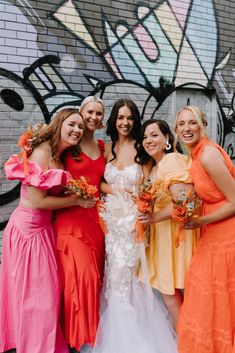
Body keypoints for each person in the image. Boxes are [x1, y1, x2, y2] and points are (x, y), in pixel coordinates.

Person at [93, 99, 178, 353]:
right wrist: (115, 189)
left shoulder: (143, 150)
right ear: (114, 120)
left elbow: (149, 187)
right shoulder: (107, 149)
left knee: (127, 280)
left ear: (135, 120)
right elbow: (98, 183)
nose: (125, 123)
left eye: (129, 118)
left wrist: (137, 198)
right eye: (120, 118)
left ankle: (129, 341)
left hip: (133, 225)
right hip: (111, 225)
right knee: (113, 279)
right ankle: (120, 335)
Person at [0, 108, 85, 353]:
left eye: (80, 127)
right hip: (27, 233)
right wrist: (76, 201)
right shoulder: (42, 152)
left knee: (47, 298)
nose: (77, 130)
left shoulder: (60, 156)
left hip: (44, 231)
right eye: (72, 124)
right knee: (36, 302)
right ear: (59, 123)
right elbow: (38, 201)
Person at [174, 106, 235, 353]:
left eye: (192, 123)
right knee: (209, 301)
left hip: (226, 237)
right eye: (182, 124)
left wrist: (199, 221)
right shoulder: (196, 155)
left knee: (216, 300)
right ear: (176, 130)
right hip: (212, 235)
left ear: (203, 125)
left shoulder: (208, 155)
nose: (187, 129)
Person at [135, 118, 200, 330]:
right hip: (164, 236)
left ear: (167, 139)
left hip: (175, 237)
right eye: (145, 136)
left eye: (154, 135)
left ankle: (187, 344)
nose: (148, 140)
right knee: (172, 295)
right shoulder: (156, 166)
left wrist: (152, 218)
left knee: (175, 296)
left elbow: (183, 204)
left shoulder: (171, 160)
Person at [55, 96, 106, 353]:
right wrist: (73, 198)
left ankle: (86, 340)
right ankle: (75, 341)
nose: (94, 117)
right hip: (70, 222)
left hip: (95, 224)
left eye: (99, 113)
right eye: (90, 112)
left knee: (94, 281)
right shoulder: (66, 147)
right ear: (81, 113)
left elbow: (100, 182)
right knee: (79, 279)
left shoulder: (102, 146)